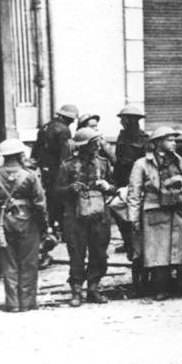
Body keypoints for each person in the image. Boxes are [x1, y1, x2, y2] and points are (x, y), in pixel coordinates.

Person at [127, 127, 182, 300]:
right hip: (156, 212)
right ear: (157, 143)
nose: (173, 143)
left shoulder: (180, 162)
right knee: (158, 252)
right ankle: (159, 288)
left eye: (174, 140)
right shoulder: (142, 164)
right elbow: (134, 193)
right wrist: (133, 219)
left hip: (181, 210)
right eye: (169, 139)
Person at [0, 139, 47, 312]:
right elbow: (40, 204)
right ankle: (27, 303)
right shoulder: (30, 175)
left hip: (3, 224)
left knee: (8, 264)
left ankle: (12, 304)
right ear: (20, 155)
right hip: (28, 222)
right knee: (29, 263)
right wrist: (44, 226)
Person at [54, 128, 117, 307]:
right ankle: (76, 291)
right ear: (85, 146)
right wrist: (70, 188)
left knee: (99, 252)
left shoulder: (103, 163)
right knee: (76, 254)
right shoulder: (67, 165)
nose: (98, 146)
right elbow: (56, 191)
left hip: (99, 215)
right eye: (94, 143)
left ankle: (94, 288)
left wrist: (107, 186)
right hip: (75, 216)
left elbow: (114, 187)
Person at [31, 104, 78, 239]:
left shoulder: (45, 127)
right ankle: (62, 229)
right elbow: (66, 153)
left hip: (45, 169)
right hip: (58, 169)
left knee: (50, 197)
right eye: (72, 119)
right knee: (62, 197)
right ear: (67, 118)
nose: (73, 122)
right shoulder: (63, 130)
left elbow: (36, 148)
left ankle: (51, 226)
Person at [113, 106, 150, 261]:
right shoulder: (122, 136)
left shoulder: (144, 139)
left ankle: (136, 244)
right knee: (119, 211)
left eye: (123, 119)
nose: (121, 121)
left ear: (130, 120)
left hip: (136, 180)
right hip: (121, 179)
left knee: (135, 213)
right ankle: (127, 241)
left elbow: (146, 163)